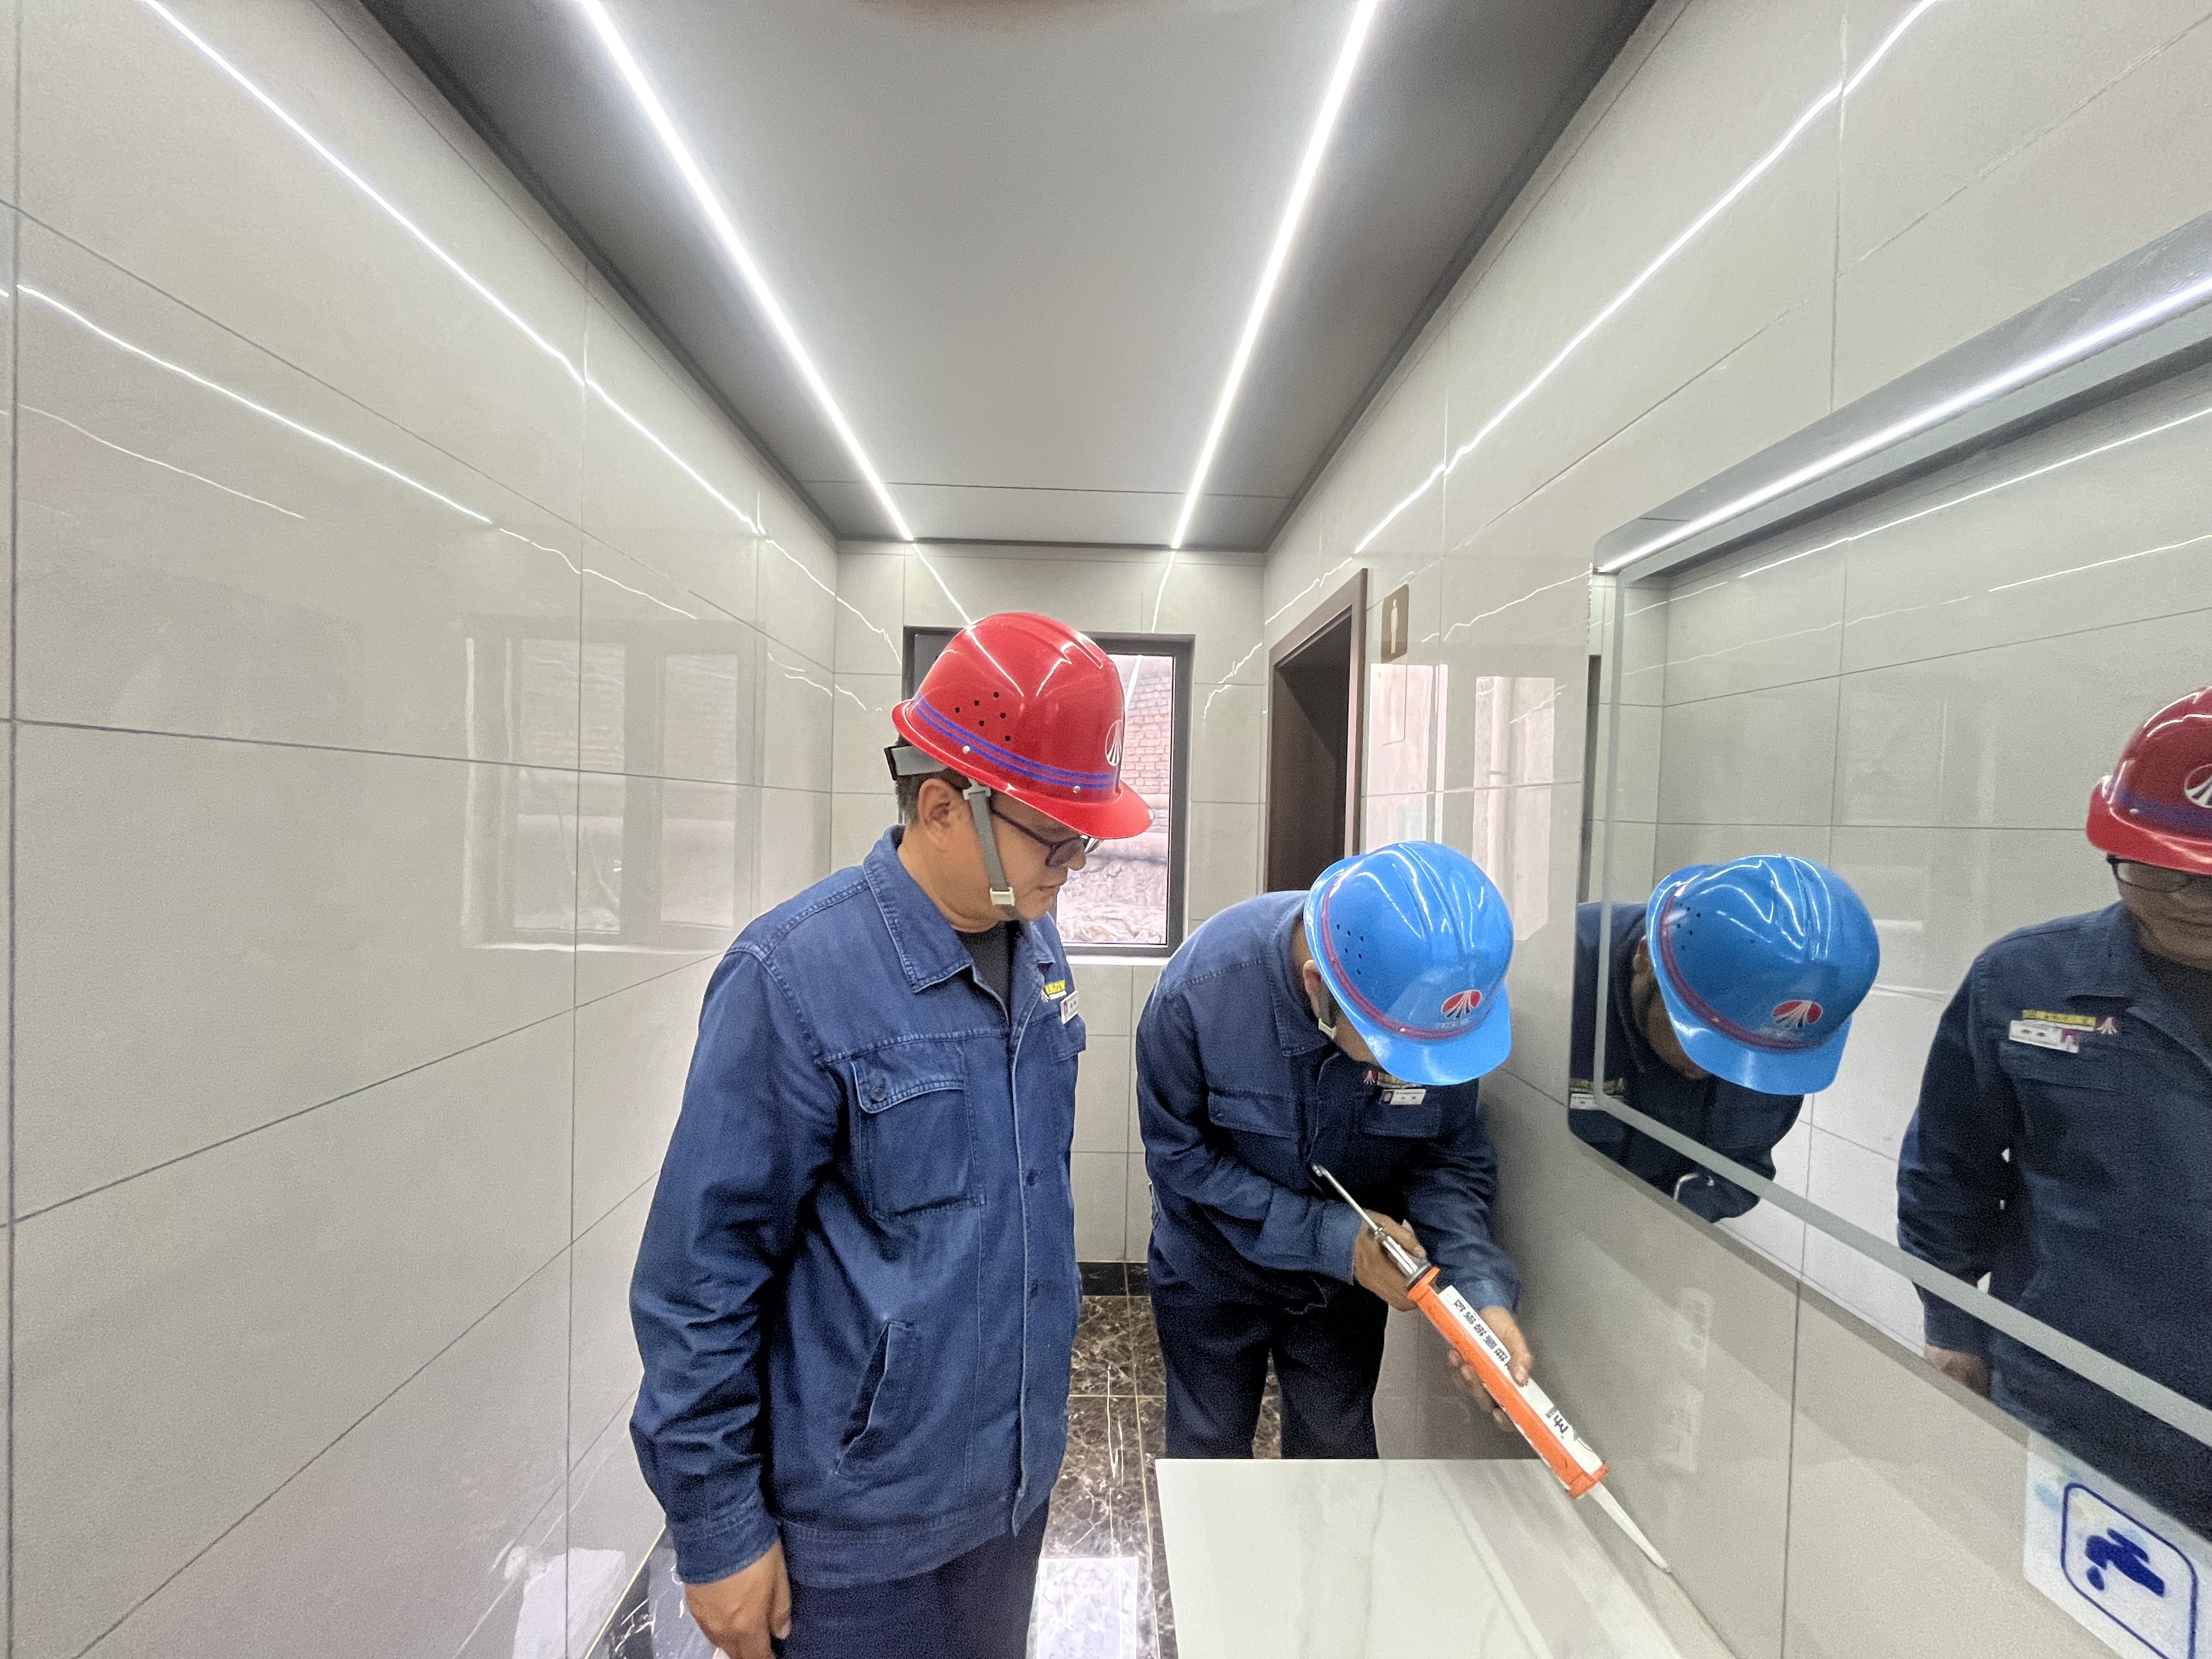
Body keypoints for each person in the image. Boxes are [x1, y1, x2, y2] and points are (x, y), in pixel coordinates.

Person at [627, 613, 1150, 1659]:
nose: (1073, 865)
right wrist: (718, 1526)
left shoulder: (1036, 946)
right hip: (857, 1533)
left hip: (1010, 1491)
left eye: (1083, 839)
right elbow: (700, 1275)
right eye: (1054, 837)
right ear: (944, 806)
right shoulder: (792, 977)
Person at [1899, 685, 2212, 1533]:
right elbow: (1949, 1167)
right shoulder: (2023, 982)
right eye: (2159, 870)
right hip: (2068, 1404)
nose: (2190, 902)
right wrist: (1951, 1324)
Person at [1135, 840, 1528, 1460]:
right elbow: (1180, 1159)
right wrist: (1334, 1238)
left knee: (1337, 1456)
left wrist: (1478, 1296)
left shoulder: (1438, 1016)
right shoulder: (1200, 992)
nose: (1416, 1073)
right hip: (1213, 1266)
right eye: (1395, 1054)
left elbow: (1446, 1160)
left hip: (1344, 1288)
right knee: (1209, 1449)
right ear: (1317, 989)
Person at [1569, 857, 1879, 1220]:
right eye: (1701, 1039)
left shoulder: (1781, 1037)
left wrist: (1660, 1229)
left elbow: (1738, 1170)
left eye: (1742, 1055)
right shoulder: (1563, 967)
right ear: (1644, 958)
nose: (1711, 1069)